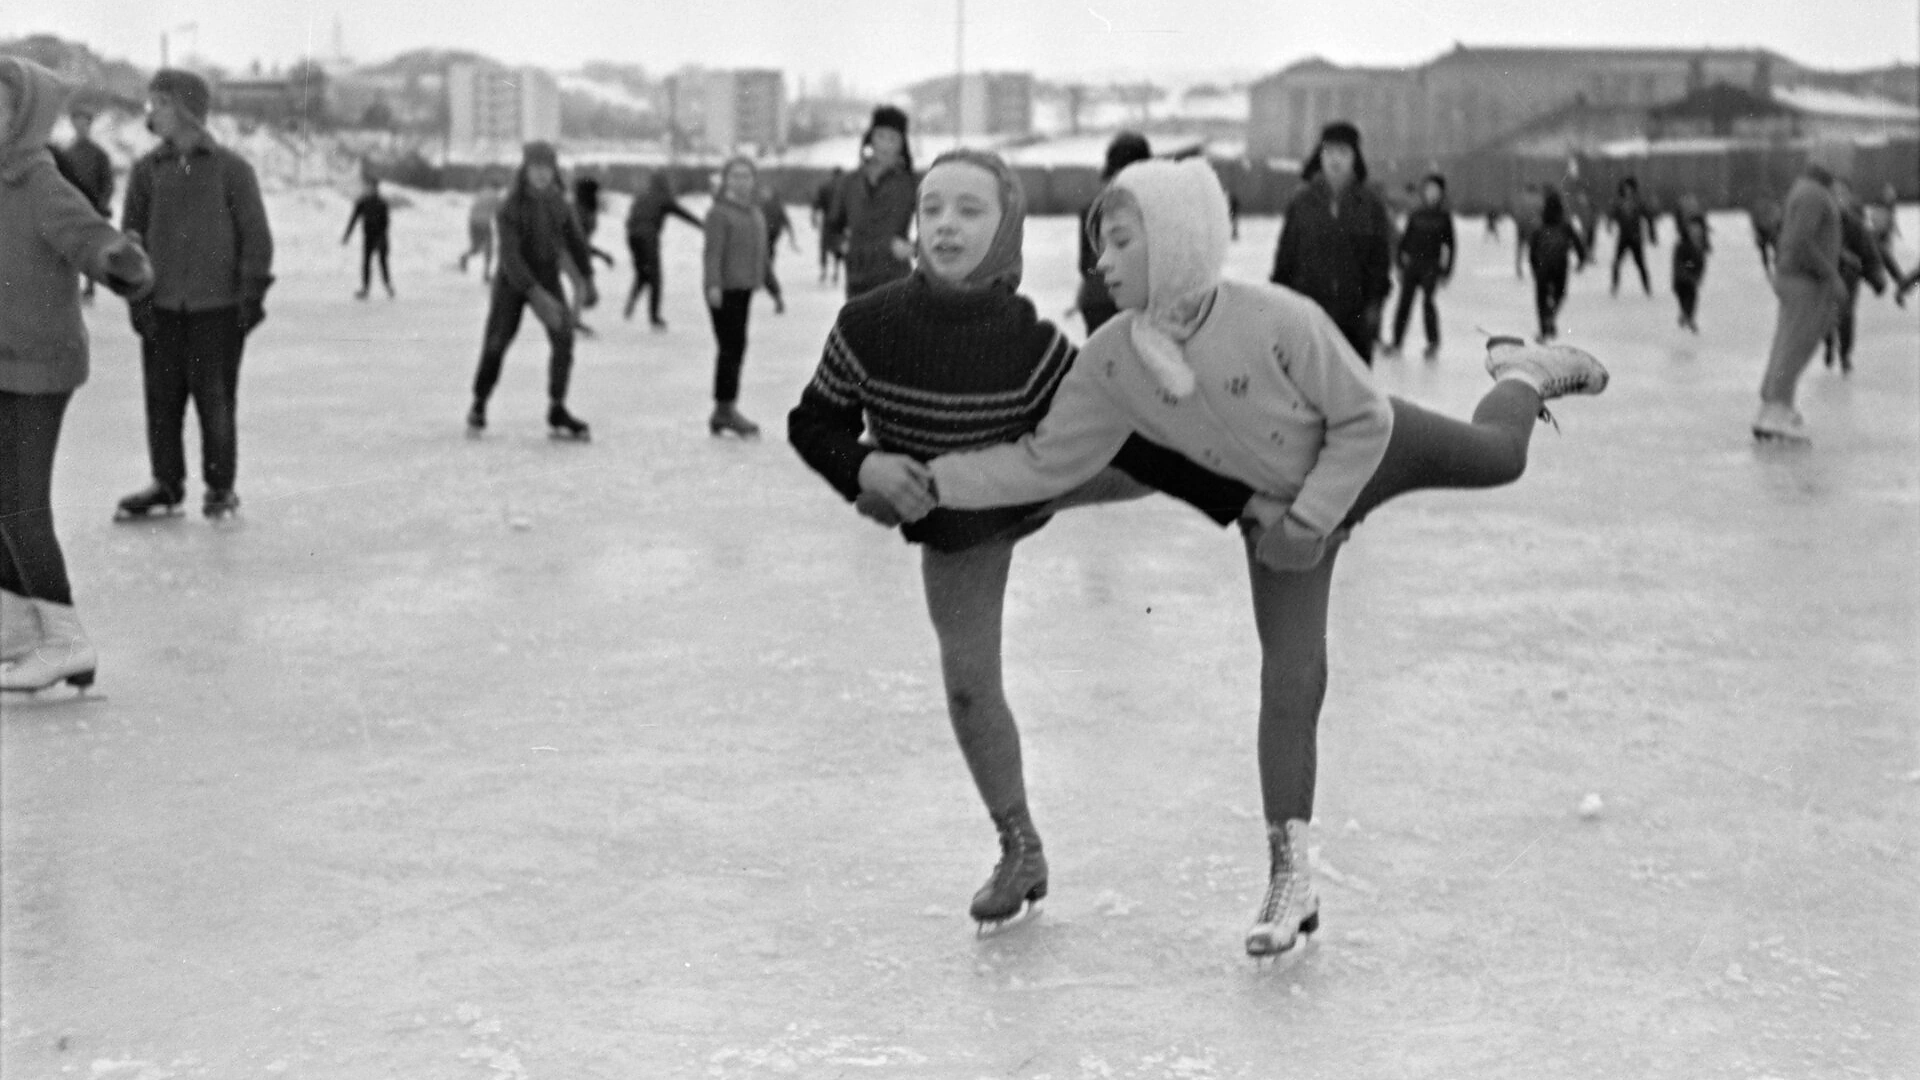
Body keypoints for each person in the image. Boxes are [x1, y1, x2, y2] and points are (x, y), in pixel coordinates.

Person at [911, 158, 1608, 958]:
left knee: (1499, 458)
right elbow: (1046, 461)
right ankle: (1291, 877)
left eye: (1121, 243)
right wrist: (936, 481)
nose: (1100, 263)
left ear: (1174, 244)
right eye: (1099, 245)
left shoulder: (1278, 318)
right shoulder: (1112, 358)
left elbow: (1361, 421)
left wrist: (1312, 518)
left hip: (1371, 452)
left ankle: (1521, 373)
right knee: (1293, 678)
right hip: (1276, 517)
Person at [787, 149, 1266, 934]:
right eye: (933, 207)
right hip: (960, 521)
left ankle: (1273, 465)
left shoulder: (1032, 346)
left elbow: (1126, 439)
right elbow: (813, 421)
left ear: (1006, 228)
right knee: (970, 687)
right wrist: (864, 467)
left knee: (1160, 452)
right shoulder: (868, 326)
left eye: (970, 210)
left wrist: (1242, 497)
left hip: (1042, 473)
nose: (945, 224)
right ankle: (1020, 847)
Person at [1, 58, 154, 693]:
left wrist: (119, 260)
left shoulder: (39, 181)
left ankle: (67, 641)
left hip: (41, 363)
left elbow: (89, 235)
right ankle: (18, 627)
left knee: (21, 506)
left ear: (24, 117)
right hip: (3, 361)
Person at [115, 68, 274, 523]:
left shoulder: (232, 170)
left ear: (185, 109)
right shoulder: (147, 172)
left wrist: (249, 299)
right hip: (162, 310)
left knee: (216, 403)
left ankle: (220, 488)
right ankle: (167, 483)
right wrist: (138, 300)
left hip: (218, 311)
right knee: (162, 403)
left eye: (159, 103)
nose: (151, 112)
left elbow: (256, 238)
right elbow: (131, 243)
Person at [465, 141, 596, 441]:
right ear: (525, 170)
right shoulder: (510, 206)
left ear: (554, 170)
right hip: (512, 282)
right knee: (497, 342)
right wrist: (535, 295)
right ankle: (479, 402)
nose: (541, 174)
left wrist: (587, 278)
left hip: (548, 275)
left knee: (564, 339)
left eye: (547, 168)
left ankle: (557, 407)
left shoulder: (559, 203)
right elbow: (510, 257)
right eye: (535, 168)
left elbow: (575, 241)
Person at [1269, 121, 1394, 365]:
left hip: (1355, 323)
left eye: (1343, 153)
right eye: (1329, 152)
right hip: (1307, 319)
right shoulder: (1301, 202)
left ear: (1354, 158)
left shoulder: (1370, 205)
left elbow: (1380, 263)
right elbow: (1285, 259)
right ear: (1320, 156)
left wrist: (1373, 310)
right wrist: (1280, 306)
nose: (1335, 160)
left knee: (1354, 397)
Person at [1753, 147, 1846, 443]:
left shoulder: (1807, 190)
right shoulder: (1813, 195)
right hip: (1805, 281)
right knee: (1796, 346)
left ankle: (1772, 407)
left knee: (1787, 343)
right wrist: (1831, 275)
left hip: (1797, 278)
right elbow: (1800, 241)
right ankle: (1778, 411)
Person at [702, 157, 770, 438]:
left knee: (735, 347)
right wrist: (713, 285)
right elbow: (712, 253)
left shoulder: (752, 211)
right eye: (735, 176)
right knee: (730, 349)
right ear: (726, 180)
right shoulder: (720, 213)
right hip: (725, 290)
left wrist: (769, 283)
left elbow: (761, 252)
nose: (741, 181)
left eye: (746, 176)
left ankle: (724, 408)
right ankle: (724, 409)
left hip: (743, 288)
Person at [826, 105, 917, 300]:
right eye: (881, 136)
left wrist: (913, 248)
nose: (885, 144)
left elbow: (936, 227)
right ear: (870, 139)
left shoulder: (911, 184)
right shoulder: (849, 182)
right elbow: (831, 227)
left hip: (895, 281)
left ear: (902, 145)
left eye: (893, 138)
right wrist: (842, 244)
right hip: (856, 281)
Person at [1068, 131, 1152, 337]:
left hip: (1096, 301)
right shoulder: (1150, 209)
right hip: (1132, 302)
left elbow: (1086, 265)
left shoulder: (1091, 209)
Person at [1383, 172, 1455, 360]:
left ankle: (1433, 342)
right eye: (1428, 189)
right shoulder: (1416, 214)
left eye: (1435, 190)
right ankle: (1396, 341)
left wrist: (1447, 271)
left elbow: (1451, 245)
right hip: (1413, 265)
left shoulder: (1444, 217)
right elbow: (1405, 240)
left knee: (1428, 303)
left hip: (1431, 265)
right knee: (1404, 303)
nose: (1431, 193)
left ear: (1441, 194)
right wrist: (1399, 263)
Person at [1822, 178, 1888, 376]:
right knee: (1826, 316)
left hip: (1849, 277)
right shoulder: (1820, 224)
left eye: (1842, 194)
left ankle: (1844, 355)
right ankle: (1828, 343)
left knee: (1847, 316)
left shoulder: (1855, 224)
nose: (1838, 198)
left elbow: (1870, 253)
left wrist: (1877, 276)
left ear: (1848, 198)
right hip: (1826, 276)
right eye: (1834, 194)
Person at [622, 169, 701, 328]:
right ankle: (655, 318)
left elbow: (630, 217)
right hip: (648, 237)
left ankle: (630, 305)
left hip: (632, 236)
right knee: (655, 277)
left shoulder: (642, 196)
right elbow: (683, 214)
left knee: (642, 273)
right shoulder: (663, 198)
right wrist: (703, 225)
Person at [53, 103, 114, 301]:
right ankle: (67, 286)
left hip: (92, 206)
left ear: (90, 125)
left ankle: (89, 287)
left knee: (90, 248)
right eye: (77, 122)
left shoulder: (99, 154)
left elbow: (108, 182)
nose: (81, 126)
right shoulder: (66, 153)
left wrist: (103, 204)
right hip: (70, 206)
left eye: (85, 123)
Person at [1526, 190, 1588, 343]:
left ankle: (1544, 329)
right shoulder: (1565, 226)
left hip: (1543, 267)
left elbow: (1532, 249)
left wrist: (1534, 267)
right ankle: (1551, 315)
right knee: (1559, 294)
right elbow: (1578, 243)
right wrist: (1581, 259)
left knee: (1541, 299)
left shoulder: (1540, 227)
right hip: (1560, 266)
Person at [341, 173, 393, 300]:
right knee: (366, 263)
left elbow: (386, 223)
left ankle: (388, 286)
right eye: (369, 187)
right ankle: (365, 289)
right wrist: (347, 234)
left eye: (373, 187)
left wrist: (381, 238)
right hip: (368, 236)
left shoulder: (382, 203)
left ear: (376, 188)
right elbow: (354, 218)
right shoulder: (363, 203)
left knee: (382, 262)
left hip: (380, 236)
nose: (370, 189)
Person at [1608, 177, 1657, 296]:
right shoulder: (1619, 203)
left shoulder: (1638, 202)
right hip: (1624, 237)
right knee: (1616, 263)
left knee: (1640, 264)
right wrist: (1609, 223)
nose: (1627, 190)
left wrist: (1652, 233)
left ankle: (1647, 288)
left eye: (1629, 188)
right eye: (1625, 188)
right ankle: (1614, 286)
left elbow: (1649, 216)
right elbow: (1612, 214)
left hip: (1635, 237)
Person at [1670, 194, 1711, 333]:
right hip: (1681, 279)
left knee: (1692, 298)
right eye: (1693, 229)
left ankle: (1688, 317)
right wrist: (1688, 273)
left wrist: (1698, 276)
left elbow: (1701, 264)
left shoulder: (1699, 246)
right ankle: (1686, 317)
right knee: (1685, 297)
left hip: (1691, 278)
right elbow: (1680, 264)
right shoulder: (1683, 246)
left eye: (1698, 230)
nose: (1696, 232)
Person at [759, 182, 799, 315]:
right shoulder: (761, 205)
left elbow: (785, 220)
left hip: (769, 236)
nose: (764, 194)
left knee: (765, 265)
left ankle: (776, 295)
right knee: (765, 263)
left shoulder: (774, 205)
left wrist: (791, 236)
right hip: (763, 237)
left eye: (767, 192)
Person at [458, 181, 502, 282]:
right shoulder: (495, 197)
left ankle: (464, 257)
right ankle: (486, 274)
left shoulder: (481, 192)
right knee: (489, 249)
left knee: (476, 247)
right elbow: (500, 211)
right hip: (483, 224)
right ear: (497, 187)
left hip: (473, 222)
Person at [810, 166, 845, 284]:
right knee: (837, 248)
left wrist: (814, 215)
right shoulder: (844, 187)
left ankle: (825, 271)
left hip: (830, 222)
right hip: (839, 223)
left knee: (826, 247)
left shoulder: (826, 186)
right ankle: (834, 271)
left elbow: (816, 203)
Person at [1749, 195, 1783, 278]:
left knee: (1773, 251)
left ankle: (1774, 268)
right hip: (1766, 231)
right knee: (1768, 252)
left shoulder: (1769, 207)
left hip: (1769, 231)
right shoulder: (1771, 207)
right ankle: (1769, 269)